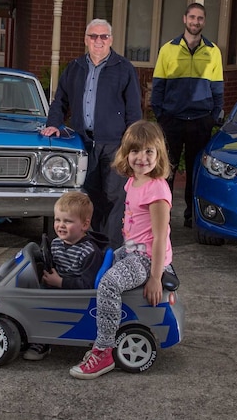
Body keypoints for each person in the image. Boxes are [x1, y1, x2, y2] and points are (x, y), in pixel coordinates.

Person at [70, 120, 173, 379]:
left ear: (159, 154)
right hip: (130, 250)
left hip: (147, 258)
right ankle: (91, 322)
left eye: (149, 151)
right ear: (126, 154)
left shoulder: (157, 190)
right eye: (136, 151)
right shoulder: (133, 180)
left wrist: (155, 277)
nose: (142, 157)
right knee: (95, 261)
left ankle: (104, 351)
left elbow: (160, 238)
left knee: (108, 284)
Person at [42, 19, 142, 249]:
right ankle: (93, 247)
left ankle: (112, 250)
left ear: (111, 40)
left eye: (104, 36)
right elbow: (60, 101)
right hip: (83, 143)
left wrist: (132, 146)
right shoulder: (75, 67)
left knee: (115, 198)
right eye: (94, 36)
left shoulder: (124, 68)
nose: (99, 41)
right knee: (89, 197)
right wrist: (54, 123)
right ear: (86, 39)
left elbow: (134, 110)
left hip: (115, 144)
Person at [151, 2, 224, 227]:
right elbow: (158, 87)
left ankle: (193, 217)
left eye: (200, 18)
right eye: (192, 17)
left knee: (197, 172)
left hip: (200, 121)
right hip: (173, 120)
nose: (195, 22)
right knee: (167, 170)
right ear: (185, 19)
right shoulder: (168, 49)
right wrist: (162, 116)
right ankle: (164, 219)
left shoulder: (213, 51)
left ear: (204, 21)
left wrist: (213, 117)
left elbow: (218, 89)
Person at [24, 191, 110, 361]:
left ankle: (42, 341)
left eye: (68, 221)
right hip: (57, 287)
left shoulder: (89, 252)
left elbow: (87, 285)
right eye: (57, 220)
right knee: (26, 293)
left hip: (75, 296)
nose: (60, 226)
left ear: (84, 225)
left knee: (39, 303)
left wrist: (59, 282)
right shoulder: (56, 243)